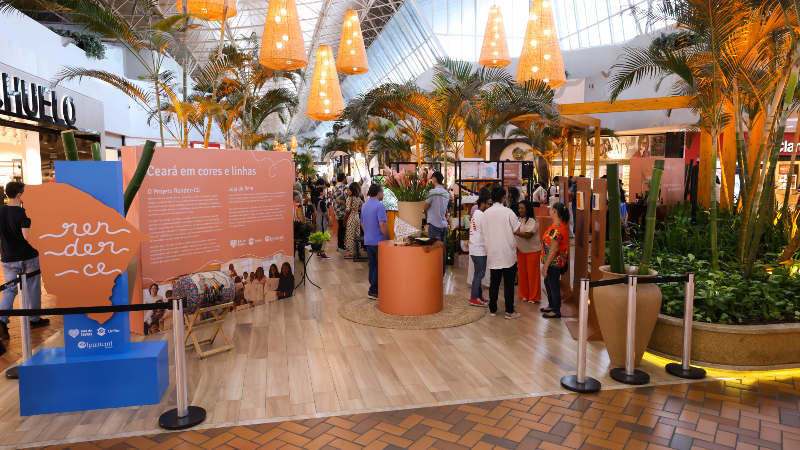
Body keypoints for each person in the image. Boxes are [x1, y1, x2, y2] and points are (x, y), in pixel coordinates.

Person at [0, 182, 48, 340]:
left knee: (9, 290)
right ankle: (34, 319)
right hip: (28, 257)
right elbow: (27, 237)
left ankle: (1, 321)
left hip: (7, 258)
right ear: (20, 195)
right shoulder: (23, 213)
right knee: (33, 288)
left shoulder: (0, 210)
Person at [479, 187, 522, 320]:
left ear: (492, 198)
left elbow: (482, 231)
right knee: (509, 283)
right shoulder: (508, 212)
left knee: (494, 282)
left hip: (493, 252)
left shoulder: (486, 213)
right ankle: (509, 311)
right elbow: (517, 229)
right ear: (504, 197)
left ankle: (493, 309)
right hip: (507, 252)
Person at [541, 202, 570, 319]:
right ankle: (552, 305)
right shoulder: (562, 225)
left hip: (554, 262)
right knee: (548, 283)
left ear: (554, 211)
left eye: (551, 209)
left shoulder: (556, 229)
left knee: (553, 285)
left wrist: (546, 265)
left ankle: (556, 310)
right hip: (555, 261)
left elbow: (554, 250)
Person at [361, 184, 389, 299]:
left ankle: (373, 288)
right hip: (379, 241)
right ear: (378, 193)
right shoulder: (380, 206)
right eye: (382, 192)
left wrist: (368, 233)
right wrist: (389, 238)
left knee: (372, 264)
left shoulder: (364, 205)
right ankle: (373, 290)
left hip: (368, 240)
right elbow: (382, 225)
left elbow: (362, 223)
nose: (382, 194)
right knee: (379, 265)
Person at [423, 171, 449, 274]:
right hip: (443, 224)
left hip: (434, 224)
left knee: (433, 251)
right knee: (442, 251)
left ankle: (434, 275)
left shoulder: (433, 192)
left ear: (434, 180)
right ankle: (441, 275)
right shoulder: (446, 193)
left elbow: (425, 206)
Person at [516, 200, 542, 303]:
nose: (520, 210)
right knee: (522, 274)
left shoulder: (533, 220)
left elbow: (528, 235)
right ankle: (524, 295)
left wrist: (516, 232)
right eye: (519, 208)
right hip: (521, 250)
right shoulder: (519, 219)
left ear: (528, 209)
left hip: (532, 251)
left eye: (522, 208)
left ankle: (534, 297)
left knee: (532, 275)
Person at [468, 196, 491, 307]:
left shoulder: (476, 214)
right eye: (488, 204)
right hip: (479, 249)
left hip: (475, 248)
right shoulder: (481, 215)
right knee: (479, 274)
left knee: (479, 274)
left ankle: (478, 295)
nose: (490, 206)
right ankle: (473, 297)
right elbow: (485, 230)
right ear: (482, 204)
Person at [344, 182, 364, 259]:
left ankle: (351, 253)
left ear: (352, 191)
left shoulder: (349, 199)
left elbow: (348, 209)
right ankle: (358, 252)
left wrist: (347, 210)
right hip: (356, 217)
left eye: (349, 190)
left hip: (351, 218)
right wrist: (357, 209)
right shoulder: (358, 198)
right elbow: (363, 204)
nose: (347, 191)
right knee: (357, 235)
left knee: (350, 235)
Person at [332, 173, 349, 251]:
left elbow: (333, 198)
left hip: (336, 210)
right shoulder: (345, 187)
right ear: (344, 178)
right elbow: (348, 199)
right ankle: (341, 245)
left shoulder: (334, 187)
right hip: (344, 210)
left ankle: (340, 244)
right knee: (343, 228)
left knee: (340, 227)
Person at [314, 187, 333, 260]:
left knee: (319, 234)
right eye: (324, 191)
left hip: (318, 218)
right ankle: (323, 252)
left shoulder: (317, 200)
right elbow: (325, 212)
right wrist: (329, 219)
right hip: (322, 219)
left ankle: (319, 251)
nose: (325, 192)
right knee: (323, 235)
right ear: (321, 193)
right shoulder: (322, 202)